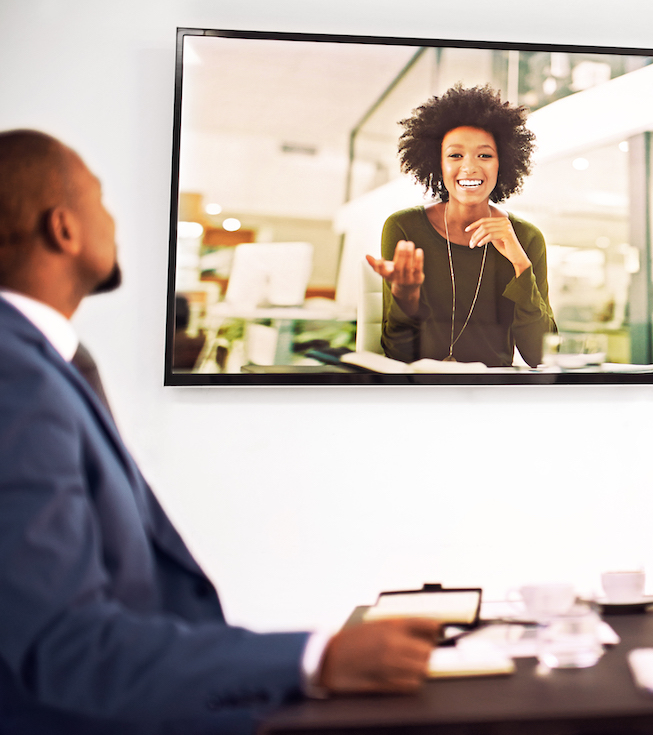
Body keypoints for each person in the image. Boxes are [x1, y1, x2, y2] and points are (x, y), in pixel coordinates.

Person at [0, 130, 441, 735]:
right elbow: (63, 643)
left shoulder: (40, 363)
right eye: (99, 200)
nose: (114, 218)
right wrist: (318, 658)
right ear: (64, 229)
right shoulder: (12, 375)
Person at [366, 84, 555, 368]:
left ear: (502, 163)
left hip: (492, 394)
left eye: (485, 155)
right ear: (437, 164)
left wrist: (520, 265)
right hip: (422, 391)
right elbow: (399, 354)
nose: (469, 167)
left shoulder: (527, 238)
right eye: (455, 155)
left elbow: (540, 356)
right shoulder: (404, 228)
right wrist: (405, 298)